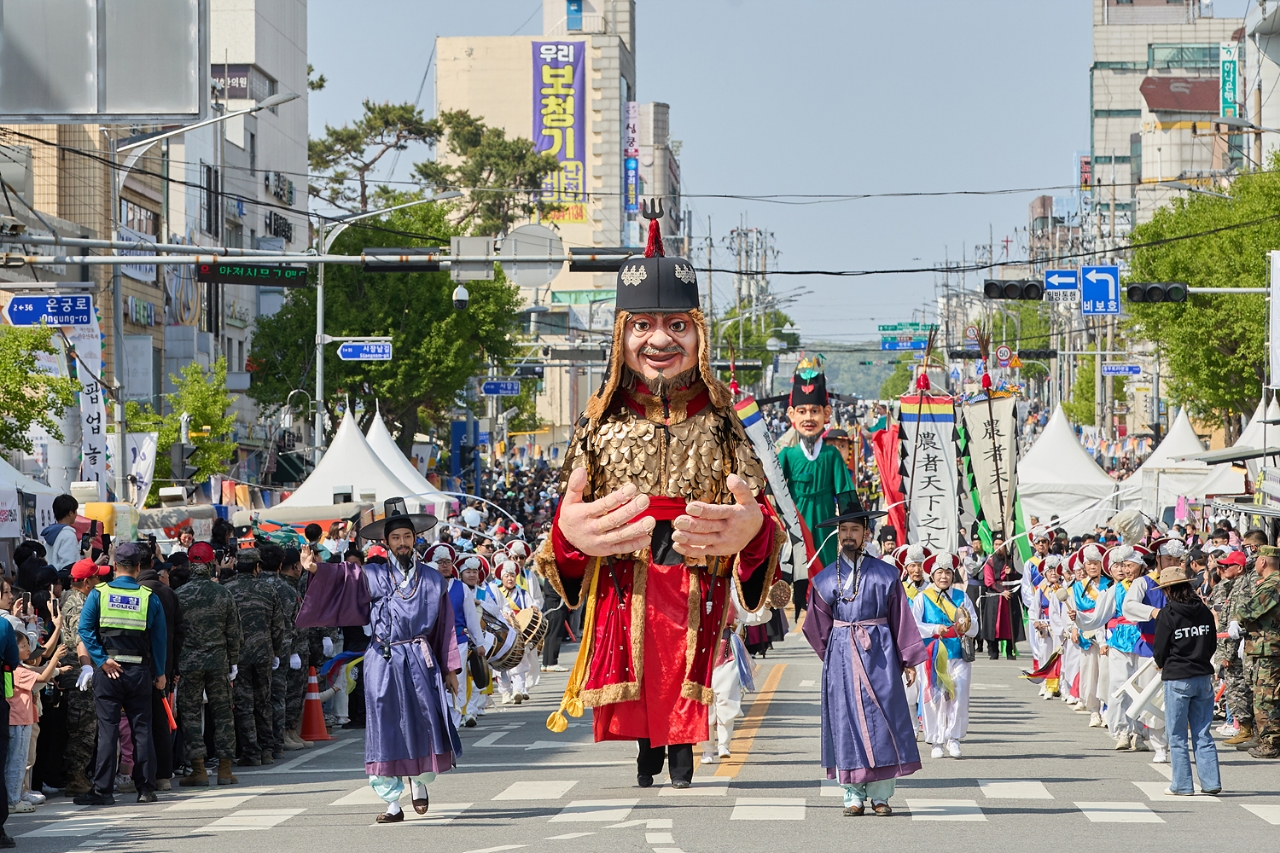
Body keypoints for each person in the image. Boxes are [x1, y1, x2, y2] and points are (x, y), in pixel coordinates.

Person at [535, 215, 783, 792]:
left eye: (677, 324)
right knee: (642, 668)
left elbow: (761, 519)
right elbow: (565, 527)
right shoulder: (598, 422)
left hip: (697, 571)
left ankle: (682, 750)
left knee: (684, 661)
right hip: (626, 576)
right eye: (642, 325)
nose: (660, 340)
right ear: (620, 335)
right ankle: (648, 748)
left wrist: (752, 531)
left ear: (699, 332)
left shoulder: (723, 422)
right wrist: (572, 537)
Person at [296, 498, 462, 823]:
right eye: (396, 538)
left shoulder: (432, 580)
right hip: (383, 659)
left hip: (419, 658)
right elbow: (343, 576)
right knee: (384, 727)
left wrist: (450, 668)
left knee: (422, 722)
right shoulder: (371, 575)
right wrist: (316, 568)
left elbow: (445, 626)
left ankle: (420, 781)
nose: (402, 543)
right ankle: (391, 802)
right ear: (385, 543)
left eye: (407, 537)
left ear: (416, 540)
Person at [803, 492, 927, 817]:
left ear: (865, 533)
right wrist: (832, 654)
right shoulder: (826, 578)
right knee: (846, 722)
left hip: (881, 657)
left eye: (854, 530)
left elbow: (901, 617)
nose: (848, 536)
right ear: (838, 533)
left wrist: (909, 659)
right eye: (843, 530)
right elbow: (815, 625)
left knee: (884, 720)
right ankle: (852, 795)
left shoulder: (886, 575)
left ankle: (881, 795)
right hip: (842, 657)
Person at [74, 542, 168, 805]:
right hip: (139, 672)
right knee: (142, 730)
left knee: (108, 731)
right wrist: (160, 672)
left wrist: (102, 660)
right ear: (139, 567)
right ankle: (146, 789)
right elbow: (160, 639)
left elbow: (85, 630)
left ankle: (103, 791)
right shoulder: (149, 597)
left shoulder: (99, 594)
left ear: (115, 566)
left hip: (109, 673)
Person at [777, 356, 855, 598]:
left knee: (826, 572)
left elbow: (845, 494)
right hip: (795, 521)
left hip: (824, 523)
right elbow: (772, 493)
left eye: (814, 411)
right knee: (795, 568)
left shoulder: (831, 455)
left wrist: (852, 529)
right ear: (791, 415)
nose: (808, 417)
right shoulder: (787, 455)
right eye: (801, 411)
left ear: (826, 413)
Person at [174, 543, 242, 787]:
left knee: (191, 714)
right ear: (212, 563)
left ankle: (198, 769)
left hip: (189, 663)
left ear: (190, 565)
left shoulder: (179, 594)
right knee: (223, 715)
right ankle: (225, 769)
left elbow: (174, 634)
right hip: (218, 662)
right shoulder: (223, 594)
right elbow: (234, 631)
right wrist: (233, 660)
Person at [1152, 562, 1222, 795]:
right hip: (1202, 675)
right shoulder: (1203, 610)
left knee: (1177, 734)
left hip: (1177, 677)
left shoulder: (1168, 614)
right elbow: (1211, 642)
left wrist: (1161, 663)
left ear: (1168, 590)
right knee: (1203, 732)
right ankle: (1211, 782)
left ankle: (1182, 784)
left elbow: (1160, 649)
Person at [910, 552, 978, 759]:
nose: (944, 577)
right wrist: (934, 629)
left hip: (958, 653)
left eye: (948, 572)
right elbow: (914, 626)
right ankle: (936, 740)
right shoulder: (923, 597)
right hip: (933, 654)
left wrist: (967, 625)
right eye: (940, 572)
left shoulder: (962, 597)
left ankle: (954, 738)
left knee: (959, 694)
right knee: (935, 698)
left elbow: (974, 625)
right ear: (932, 575)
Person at [223, 548, 284, 767]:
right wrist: (276, 651)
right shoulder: (268, 589)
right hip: (264, 653)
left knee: (243, 705)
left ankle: (251, 752)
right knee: (264, 703)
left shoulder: (227, 590)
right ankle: (268, 749)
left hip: (238, 657)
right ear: (257, 567)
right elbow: (278, 625)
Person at [59, 558, 109, 796]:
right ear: (88, 582)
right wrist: (87, 667)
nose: (102, 581)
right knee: (83, 727)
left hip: (80, 672)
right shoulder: (78, 605)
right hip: (80, 674)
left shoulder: (74, 598)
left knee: (86, 725)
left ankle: (79, 775)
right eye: (98, 577)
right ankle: (76, 777)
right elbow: (83, 639)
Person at [137, 550, 182, 791]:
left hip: (133, 666)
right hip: (163, 666)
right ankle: (164, 774)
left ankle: (143, 775)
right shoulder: (168, 592)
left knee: (138, 722)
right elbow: (178, 634)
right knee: (160, 721)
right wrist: (172, 667)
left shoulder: (131, 593)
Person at [1235, 544, 1280, 759]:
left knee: (1266, 697)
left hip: (1271, 648)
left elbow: (1250, 610)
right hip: (1267, 647)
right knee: (1267, 695)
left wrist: (1237, 619)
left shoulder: (1274, 584)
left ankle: (1271, 743)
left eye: (1257, 559)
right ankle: (1267, 739)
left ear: (1263, 561)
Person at [257, 544, 299, 758]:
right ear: (281, 564)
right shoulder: (287, 589)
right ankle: (277, 743)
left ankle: (260, 744)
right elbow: (293, 620)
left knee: (257, 698)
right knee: (277, 696)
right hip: (281, 647)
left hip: (254, 648)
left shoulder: (254, 586)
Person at [980, 533, 1023, 660]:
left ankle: (1010, 650)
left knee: (1010, 624)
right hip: (995, 595)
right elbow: (989, 581)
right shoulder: (990, 562)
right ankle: (993, 651)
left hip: (1010, 594)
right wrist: (1001, 591)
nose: (999, 547)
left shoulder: (1011, 560)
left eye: (1001, 544)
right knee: (994, 624)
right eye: (996, 544)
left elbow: (1020, 577)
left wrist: (1012, 573)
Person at [41, 495, 82, 572]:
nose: (76, 514)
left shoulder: (52, 532)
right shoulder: (69, 535)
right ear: (70, 513)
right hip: (63, 580)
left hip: (51, 577)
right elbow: (69, 564)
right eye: (76, 511)